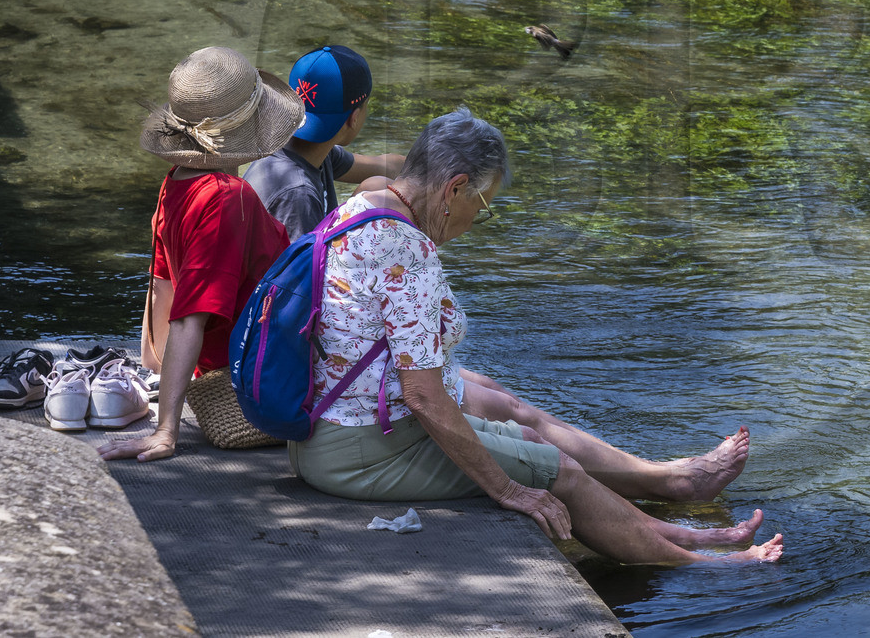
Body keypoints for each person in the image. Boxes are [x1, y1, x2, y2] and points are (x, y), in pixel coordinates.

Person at [249, 46, 751, 502]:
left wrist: (436, 167)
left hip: (331, 357)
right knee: (508, 409)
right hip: (309, 375)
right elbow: (317, 302)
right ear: (356, 116)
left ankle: (652, 476)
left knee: (496, 393)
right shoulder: (298, 194)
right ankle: (663, 481)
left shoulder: (300, 156)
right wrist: (441, 183)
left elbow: (377, 170)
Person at [289, 107, 784, 565]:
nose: (476, 221)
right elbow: (422, 395)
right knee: (557, 472)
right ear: (454, 189)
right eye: (483, 206)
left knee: (528, 437)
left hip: (330, 428)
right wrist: (508, 490)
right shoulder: (406, 252)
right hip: (362, 451)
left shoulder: (361, 206)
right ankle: (705, 565)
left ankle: (678, 530)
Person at [99, 46, 300, 463]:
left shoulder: (176, 183)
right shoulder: (230, 197)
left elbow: (163, 284)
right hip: (261, 365)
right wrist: (165, 429)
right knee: (456, 391)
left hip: (221, 359)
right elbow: (190, 316)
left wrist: (156, 365)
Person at [244, 45, 407, 241]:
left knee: (376, 187)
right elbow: (299, 270)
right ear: (354, 118)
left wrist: (440, 170)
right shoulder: (298, 194)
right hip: (288, 271)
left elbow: (384, 166)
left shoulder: (310, 150)